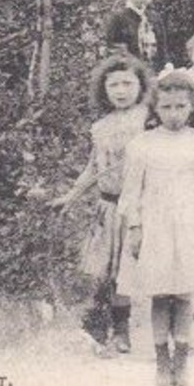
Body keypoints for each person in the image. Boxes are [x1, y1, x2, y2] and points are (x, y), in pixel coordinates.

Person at [116, 72, 194, 386]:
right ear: (155, 109)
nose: (174, 113)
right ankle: (161, 360)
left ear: (192, 106)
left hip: (189, 226)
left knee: (184, 293)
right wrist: (136, 227)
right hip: (155, 227)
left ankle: (181, 357)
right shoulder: (142, 145)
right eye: (166, 107)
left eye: (181, 106)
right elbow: (131, 192)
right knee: (160, 293)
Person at [51, 54, 153, 354]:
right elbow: (94, 168)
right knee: (102, 269)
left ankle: (123, 330)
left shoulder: (149, 120)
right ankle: (98, 322)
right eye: (114, 85)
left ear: (141, 85)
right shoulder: (100, 126)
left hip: (137, 207)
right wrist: (71, 196)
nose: (121, 90)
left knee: (126, 270)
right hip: (107, 207)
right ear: (104, 89)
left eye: (128, 83)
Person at [103, 0, 169, 71]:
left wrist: (166, 66)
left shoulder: (155, 18)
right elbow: (113, 50)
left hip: (155, 72)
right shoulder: (118, 18)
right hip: (130, 72)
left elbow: (162, 49)